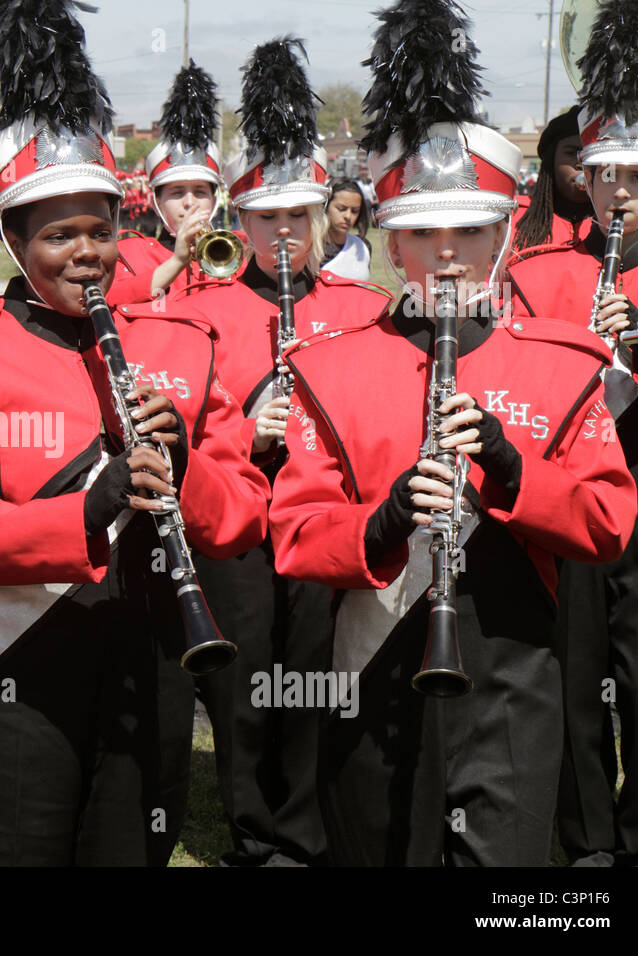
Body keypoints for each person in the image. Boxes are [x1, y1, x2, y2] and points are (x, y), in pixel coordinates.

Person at [0, 0, 270, 866]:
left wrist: (184, 472)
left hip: (149, 658)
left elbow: (240, 512)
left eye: (101, 230)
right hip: (12, 672)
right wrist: (86, 509)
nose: (87, 253)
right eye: (58, 235)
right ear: (13, 243)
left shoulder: (177, 343)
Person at [268, 0, 636, 866]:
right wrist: (384, 521)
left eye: (466, 232)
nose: (443, 255)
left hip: (513, 680)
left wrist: (512, 474)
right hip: (372, 668)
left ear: (503, 232)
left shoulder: (563, 360)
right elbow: (293, 532)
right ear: (390, 242)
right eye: (419, 233)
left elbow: (607, 522)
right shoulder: (329, 365)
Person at [171, 38, 391, 869]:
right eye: (267, 218)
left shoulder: (362, 305)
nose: (285, 233)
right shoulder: (204, 308)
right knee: (241, 677)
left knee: (310, 671)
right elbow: (178, 421)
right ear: (242, 221)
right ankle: (251, 827)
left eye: (298, 216)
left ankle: (301, 825)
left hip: (323, 515)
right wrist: (247, 428)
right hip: (238, 510)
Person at [505, 0, 638, 867]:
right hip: (569, 482)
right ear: (585, 179)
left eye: (637, 177)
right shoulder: (538, 270)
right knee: (572, 666)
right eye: (604, 176)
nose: (619, 194)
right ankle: (585, 838)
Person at [108, 61, 224, 304]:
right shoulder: (129, 254)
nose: (190, 203)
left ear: (214, 200)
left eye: (200, 192)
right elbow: (114, 299)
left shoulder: (237, 254)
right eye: (177, 192)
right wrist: (176, 263)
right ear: (156, 200)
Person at [513, 109, 593, 250]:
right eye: (571, 153)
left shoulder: (622, 223)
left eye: (591, 154)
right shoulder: (513, 217)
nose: (581, 163)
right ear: (551, 162)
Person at [321, 176, 372, 280]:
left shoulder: (363, 247)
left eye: (355, 211)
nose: (348, 216)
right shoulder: (311, 249)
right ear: (326, 206)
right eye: (341, 209)